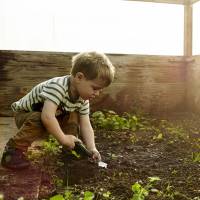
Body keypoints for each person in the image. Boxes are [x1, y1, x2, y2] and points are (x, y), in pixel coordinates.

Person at [1, 51, 115, 169]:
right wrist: (63, 139)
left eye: (100, 90)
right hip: (24, 116)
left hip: (52, 117)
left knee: (74, 115)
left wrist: (92, 148)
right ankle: (13, 151)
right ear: (79, 77)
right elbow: (47, 117)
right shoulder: (57, 87)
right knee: (40, 117)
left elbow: (86, 125)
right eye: (95, 88)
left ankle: (70, 149)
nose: (97, 94)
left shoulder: (83, 99)